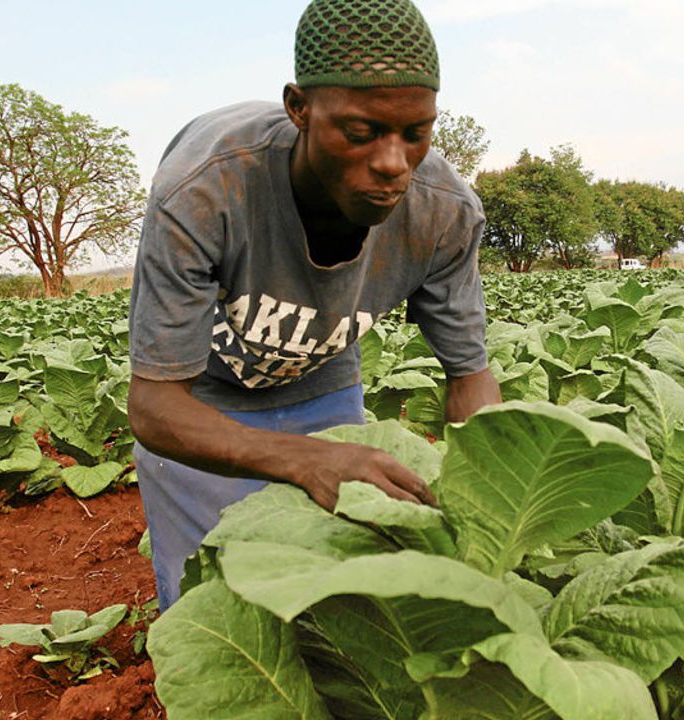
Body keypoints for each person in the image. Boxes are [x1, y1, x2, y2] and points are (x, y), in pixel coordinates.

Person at [126, 0, 501, 610]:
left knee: (337, 598)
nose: (392, 163)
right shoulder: (205, 188)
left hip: (321, 382)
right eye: (360, 134)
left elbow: (470, 377)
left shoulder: (443, 212)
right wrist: (306, 461)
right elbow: (154, 407)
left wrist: (489, 502)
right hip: (199, 401)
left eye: (415, 133)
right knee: (214, 607)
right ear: (299, 109)